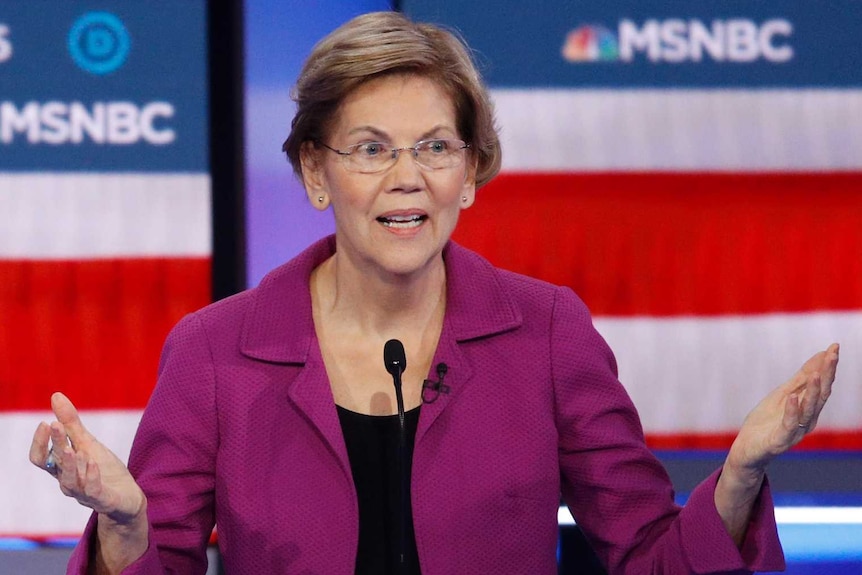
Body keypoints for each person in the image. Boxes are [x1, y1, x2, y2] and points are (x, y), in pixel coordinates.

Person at [29, 11, 839, 575]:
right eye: (372, 148)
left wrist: (739, 471)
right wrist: (126, 523)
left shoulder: (549, 332)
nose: (407, 176)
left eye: (435, 146)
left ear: (471, 173)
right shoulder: (214, 350)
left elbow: (649, 558)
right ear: (316, 171)